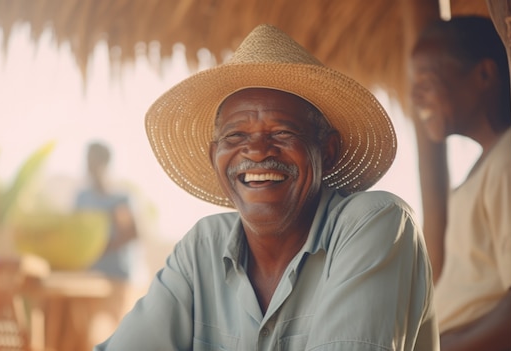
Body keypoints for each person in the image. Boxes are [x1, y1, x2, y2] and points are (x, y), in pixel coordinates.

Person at [95, 24, 438, 350]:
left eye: (283, 133)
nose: (257, 151)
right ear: (216, 156)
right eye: (236, 136)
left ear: (327, 151)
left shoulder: (375, 224)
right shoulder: (203, 248)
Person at [410, 16, 511, 350]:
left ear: (484, 75)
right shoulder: (489, 165)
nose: (414, 95)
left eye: (426, 80)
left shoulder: (509, 162)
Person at [75, 141, 140, 328]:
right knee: (85, 331)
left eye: (93, 160)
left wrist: (102, 247)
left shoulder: (118, 198)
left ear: (104, 162)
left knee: (118, 330)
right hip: (90, 276)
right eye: (87, 160)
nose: (89, 165)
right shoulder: (82, 198)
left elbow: (131, 232)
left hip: (117, 276)